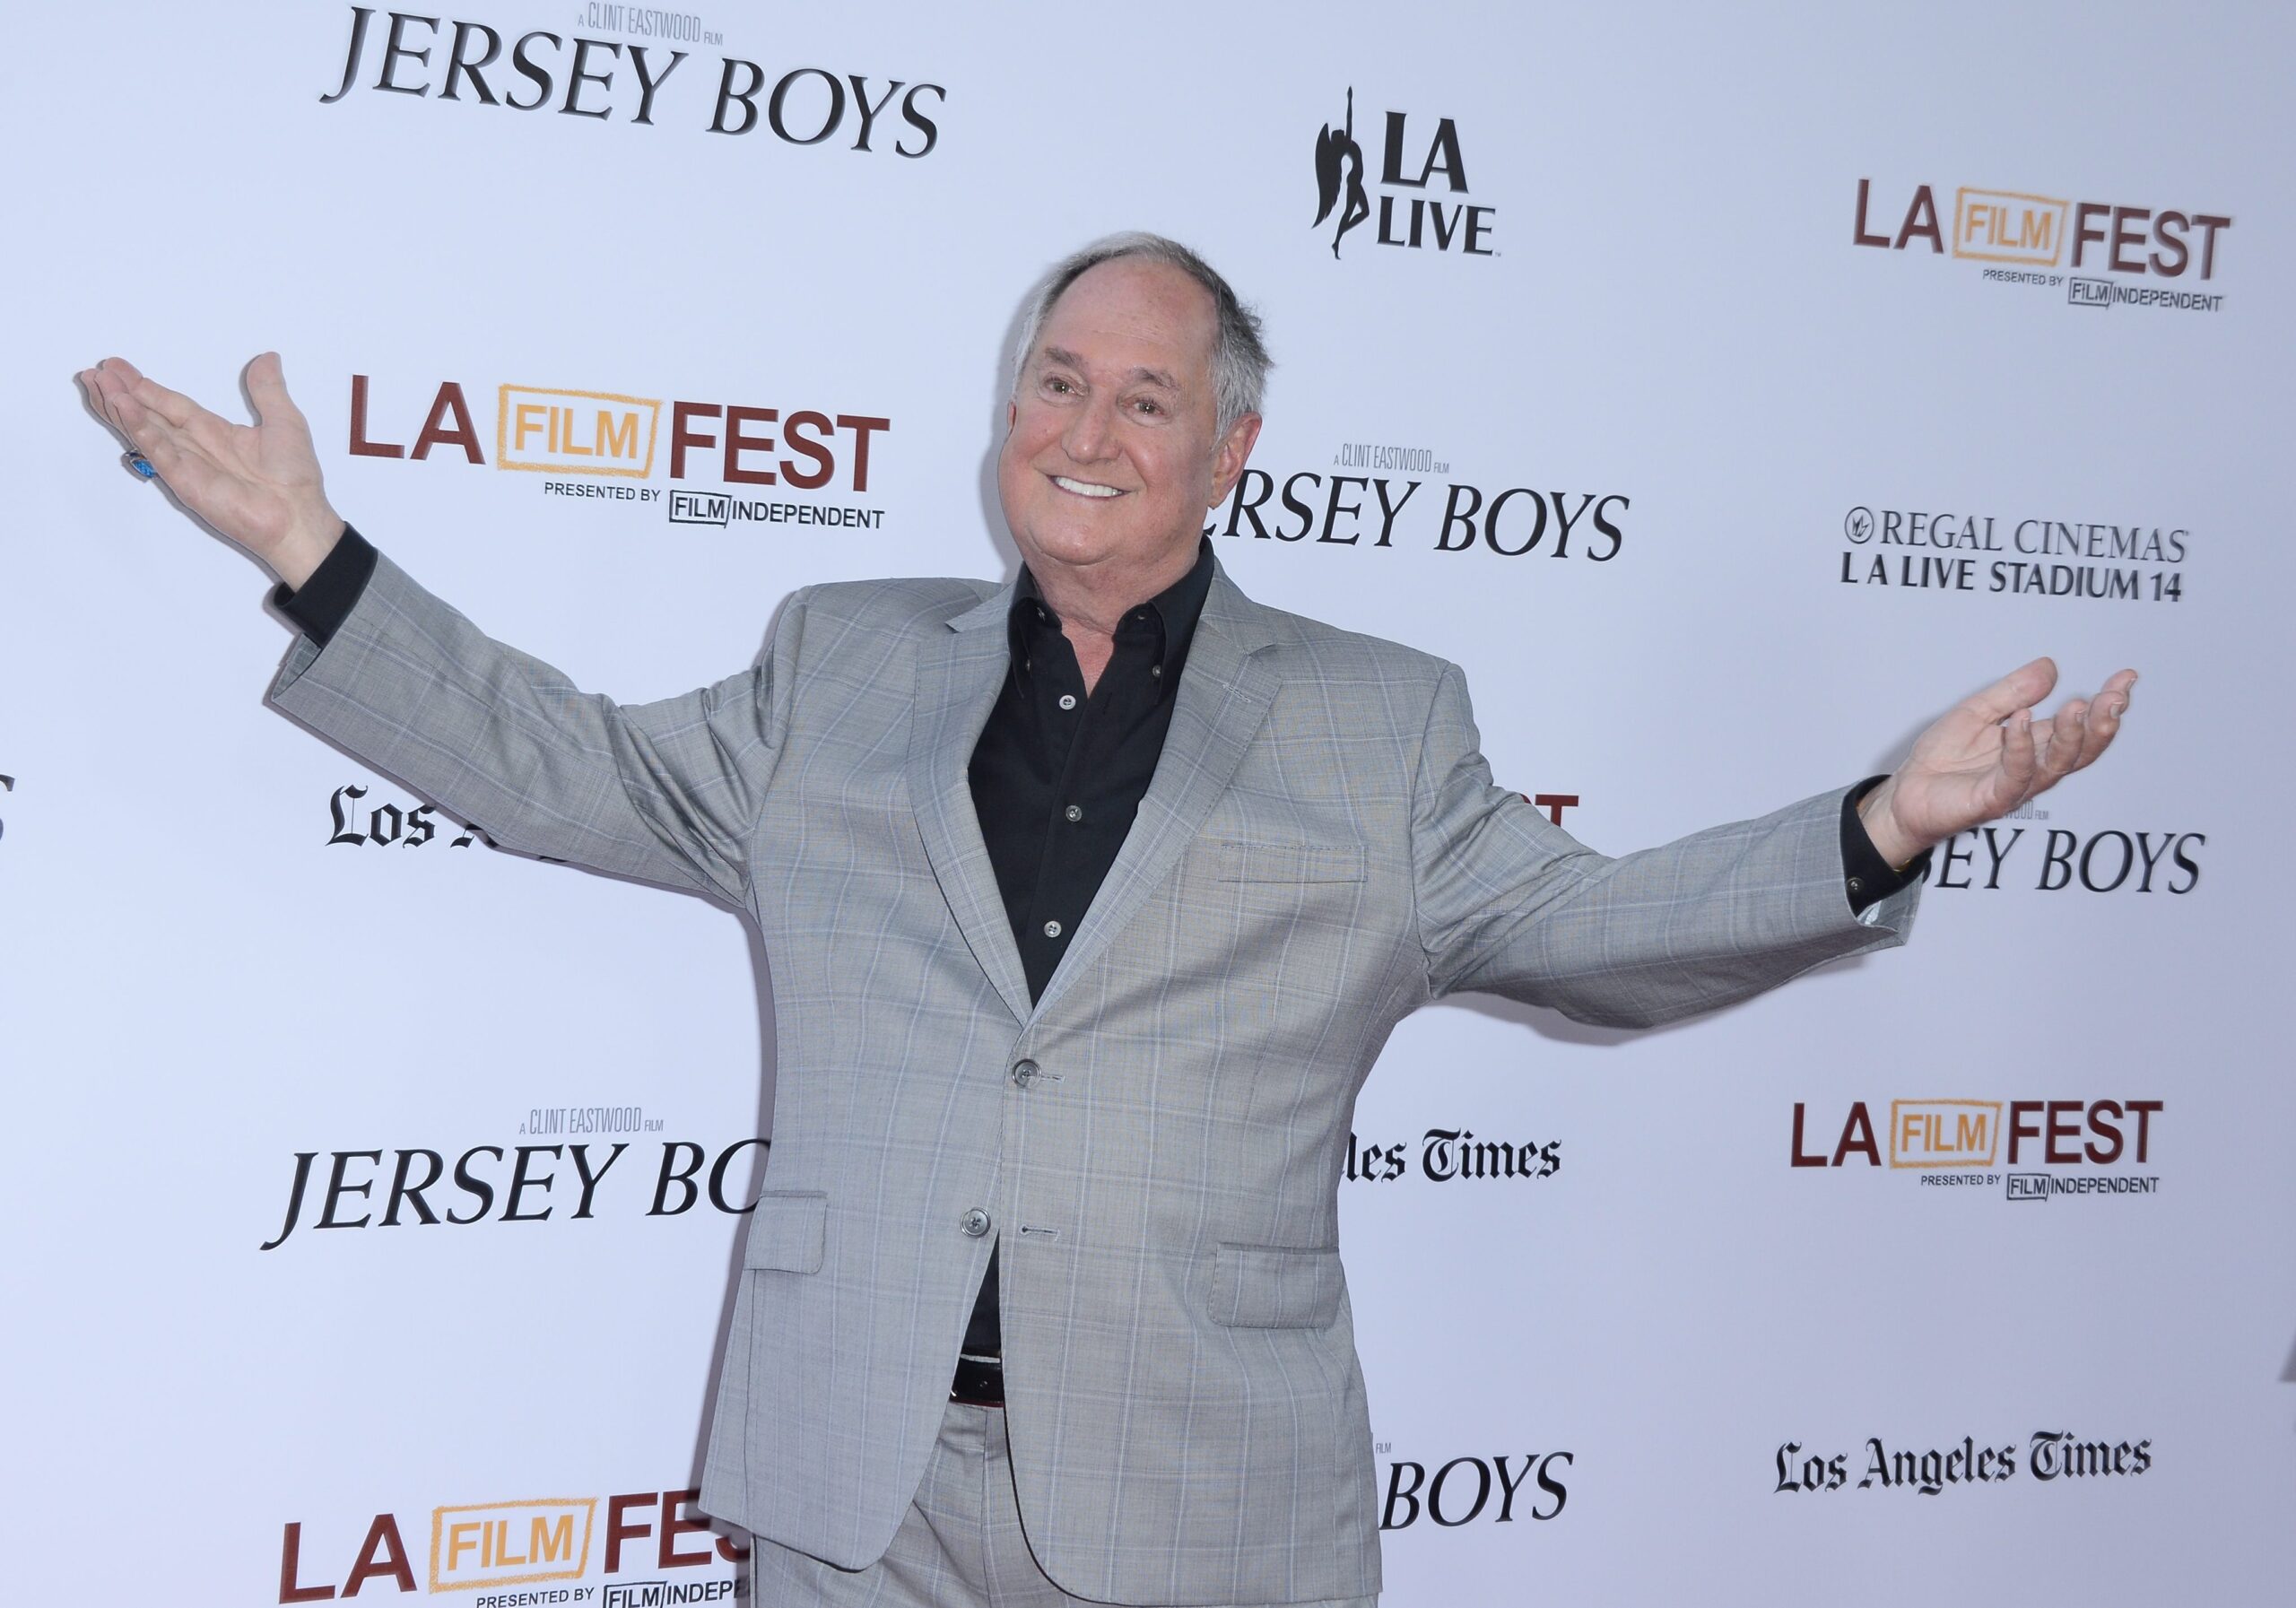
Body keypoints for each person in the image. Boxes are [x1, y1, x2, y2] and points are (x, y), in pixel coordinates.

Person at [76, 232, 2133, 1608]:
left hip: (1195, 1497)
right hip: (850, 1485)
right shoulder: (841, 659)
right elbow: (574, 771)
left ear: (1229, 450)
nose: (1080, 433)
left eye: (1141, 400)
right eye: (1053, 384)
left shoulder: (1372, 722)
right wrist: (321, 560)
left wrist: (1873, 822)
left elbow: (1584, 926)